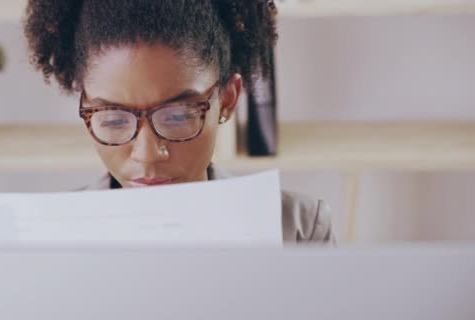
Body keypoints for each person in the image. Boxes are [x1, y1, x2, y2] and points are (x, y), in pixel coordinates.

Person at [23, 0, 335, 244]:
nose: (146, 154)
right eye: (114, 119)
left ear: (227, 100)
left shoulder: (297, 230)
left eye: (176, 116)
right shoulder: (46, 237)